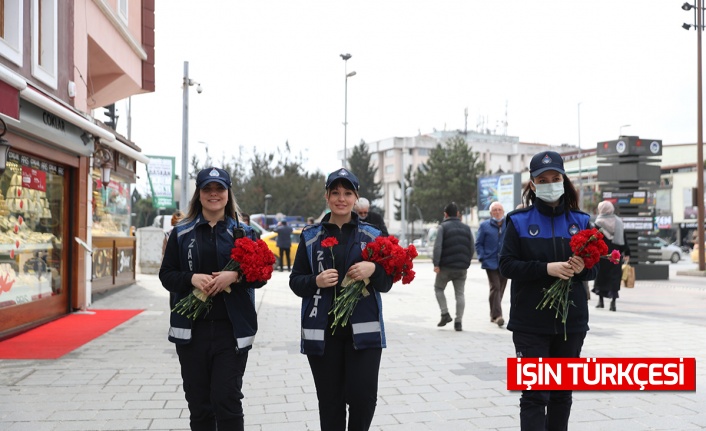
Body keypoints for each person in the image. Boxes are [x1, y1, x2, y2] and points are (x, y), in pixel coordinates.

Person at [159, 167, 267, 431]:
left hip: (231, 330)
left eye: (219, 189)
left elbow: (260, 277)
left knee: (226, 400)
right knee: (199, 405)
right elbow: (166, 275)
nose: (214, 194)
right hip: (191, 331)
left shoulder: (245, 233)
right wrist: (191, 279)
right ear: (199, 194)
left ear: (228, 194)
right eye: (207, 189)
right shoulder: (181, 233)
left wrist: (236, 276)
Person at [499, 151, 598, 430]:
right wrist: (546, 269)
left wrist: (581, 269)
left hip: (572, 323)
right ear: (533, 184)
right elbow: (506, 265)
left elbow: (593, 271)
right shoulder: (517, 221)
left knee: (561, 395)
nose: (550, 183)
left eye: (556, 178)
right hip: (530, 323)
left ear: (564, 180)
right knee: (534, 395)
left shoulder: (581, 221)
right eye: (543, 179)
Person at [290, 167, 393, 431]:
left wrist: (373, 270)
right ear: (326, 196)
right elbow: (295, 281)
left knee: (364, 399)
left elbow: (387, 282)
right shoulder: (311, 237)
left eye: (347, 193)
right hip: (323, 333)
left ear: (356, 197)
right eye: (335, 192)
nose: (341, 198)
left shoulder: (372, 235)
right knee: (330, 402)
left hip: (364, 332)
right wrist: (316, 281)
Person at [432, 202, 475, 332]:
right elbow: (472, 248)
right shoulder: (467, 228)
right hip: (461, 268)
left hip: (445, 267)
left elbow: (438, 247)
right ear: (457, 214)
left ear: (445, 214)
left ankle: (445, 314)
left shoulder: (442, 227)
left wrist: (436, 264)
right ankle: (458, 322)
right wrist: (466, 262)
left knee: (438, 288)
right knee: (460, 294)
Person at [592, 200, 630, 311]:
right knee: (614, 278)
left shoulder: (598, 222)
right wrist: (627, 252)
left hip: (602, 255)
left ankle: (601, 302)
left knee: (601, 277)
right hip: (615, 255)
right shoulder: (618, 222)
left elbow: (595, 240)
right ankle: (613, 303)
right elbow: (624, 238)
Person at [475, 201, 508, 327]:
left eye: (499, 209)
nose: (497, 212)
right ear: (490, 213)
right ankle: (498, 316)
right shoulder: (484, 226)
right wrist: (482, 257)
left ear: (503, 212)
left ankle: (493, 314)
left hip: (505, 261)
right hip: (490, 261)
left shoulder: (509, 225)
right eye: (495, 210)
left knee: (500, 288)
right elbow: (478, 243)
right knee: (495, 287)